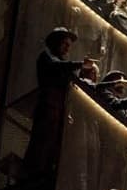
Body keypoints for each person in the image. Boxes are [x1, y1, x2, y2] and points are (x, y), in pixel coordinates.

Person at [26, 27, 96, 174]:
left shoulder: (62, 64)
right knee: (42, 143)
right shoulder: (46, 57)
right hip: (48, 107)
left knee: (53, 146)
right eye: (65, 44)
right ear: (55, 42)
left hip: (59, 110)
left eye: (69, 45)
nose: (67, 48)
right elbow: (55, 67)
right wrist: (79, 64)